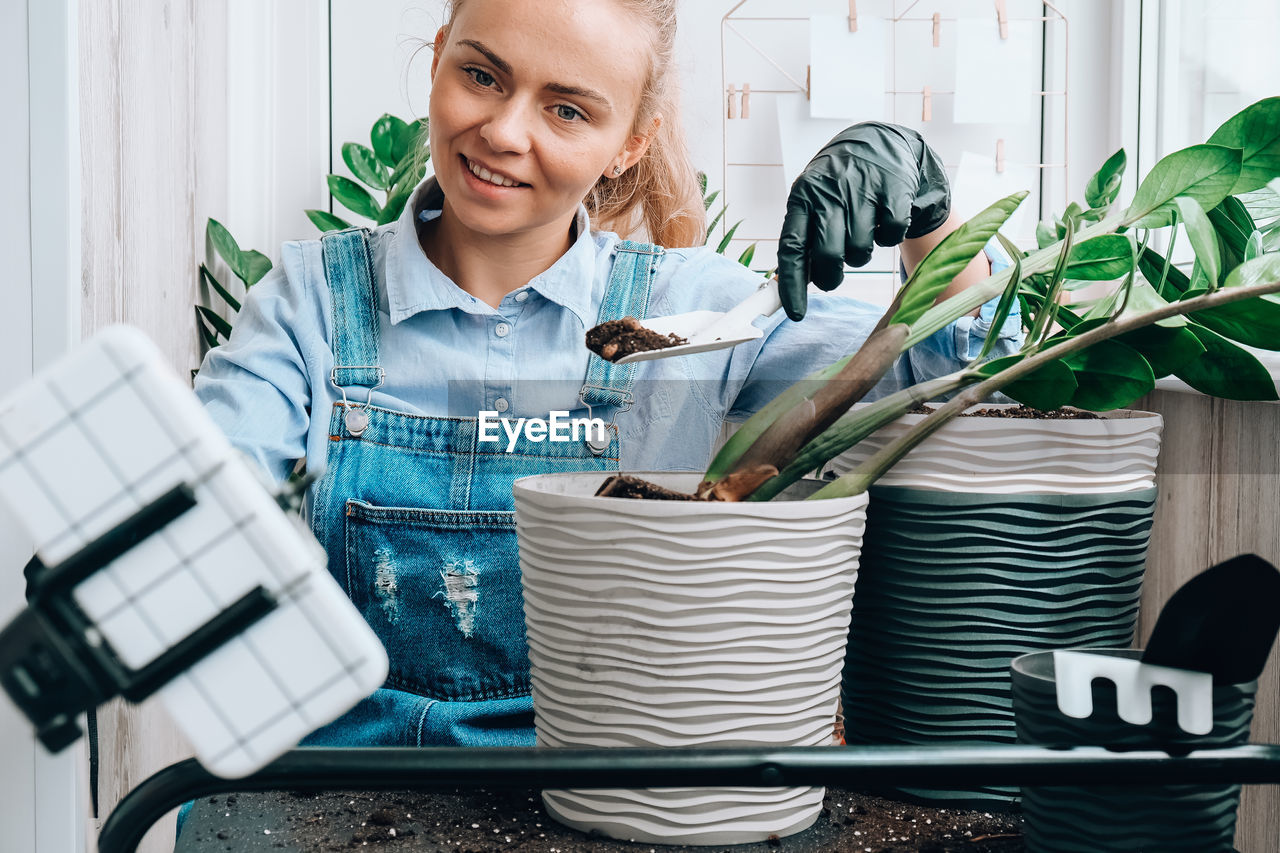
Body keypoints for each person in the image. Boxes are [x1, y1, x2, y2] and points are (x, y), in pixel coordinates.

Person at [193, 0, 1018, 749]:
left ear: (630, 142)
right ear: (439, 56)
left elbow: (955, 370)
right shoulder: (312, 305)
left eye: (566, 109)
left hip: (608, 802)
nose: (506, 133)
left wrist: (930, 219)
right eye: (481, 75)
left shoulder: (702, 316)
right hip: (340, 800)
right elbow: (199, 529)